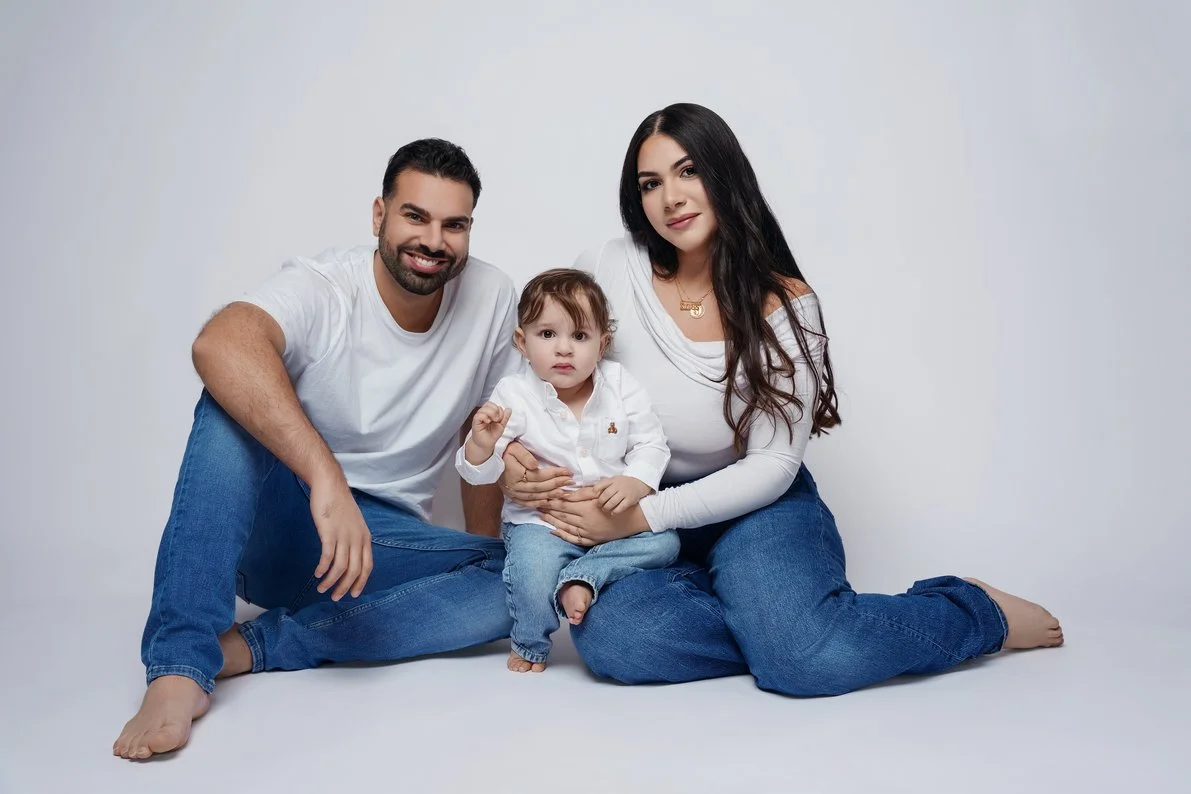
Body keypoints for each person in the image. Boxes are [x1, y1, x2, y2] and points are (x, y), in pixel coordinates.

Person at [501, 103, 1064, 696]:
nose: (670, 197)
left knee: (804, 663)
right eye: (650, 183)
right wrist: (518, 458)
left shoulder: (785, 303)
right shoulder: (610, 266)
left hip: (753, 505)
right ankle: (775, 620)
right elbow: (545, 382)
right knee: (618, 642)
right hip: (639, 501)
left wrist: (637, 517)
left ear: (725, 174)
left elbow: (773, 464)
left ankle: (972, 611)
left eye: (688, 171)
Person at [113, 138, 522, 759]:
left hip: (374, 550)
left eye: (454, 224)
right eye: (416, 216)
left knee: (524, 579)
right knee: (229, 400)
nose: (434, 240)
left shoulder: (492, 297)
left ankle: (255, 648)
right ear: (380, 215)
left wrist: (484, 555)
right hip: (285, 517)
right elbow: (218, 344)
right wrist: (325, 478)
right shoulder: (326, 286)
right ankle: (177, 663)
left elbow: (480, 436)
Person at [456, 269, 678, 672]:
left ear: (602, 344)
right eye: (547, 335)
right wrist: (483, 445)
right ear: (521, 342)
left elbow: (651, 443)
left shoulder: (620, 384)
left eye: (580, 336)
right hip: (543, 523)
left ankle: (582, 575)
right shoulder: (514, 395)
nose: (564, 349)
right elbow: (480, 473)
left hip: (614, 523)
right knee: (531, 573)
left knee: (667, 544)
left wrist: (636, 480)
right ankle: (530, 642)